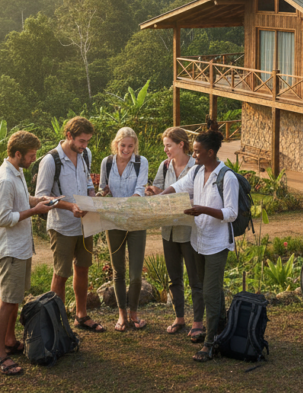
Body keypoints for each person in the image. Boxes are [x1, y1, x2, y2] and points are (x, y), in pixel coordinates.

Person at [160, 126, 237, 362]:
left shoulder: (227, 177)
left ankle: (210, 343)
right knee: (206, 289)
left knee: (211, 291)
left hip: (217, 244)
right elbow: (181, 186)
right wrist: (162, 194)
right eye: (193, 152)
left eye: (197, 152)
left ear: (211, 152)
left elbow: (231, 213)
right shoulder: (196, 172)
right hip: (198, 241)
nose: (194, 156)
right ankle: (223, 332)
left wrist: (203, 209)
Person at [0, 131, 54, 376]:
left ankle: (9, 340)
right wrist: (35, 210)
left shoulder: (16, 173)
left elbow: (21, 200)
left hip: (20, 246)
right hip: (10, 249)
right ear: (17, 154)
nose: (33, 159)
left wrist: (39, 199)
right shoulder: (5, 178)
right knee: (6, 301)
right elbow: (4, 218)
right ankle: (0, 356)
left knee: (15, 298)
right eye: (30, 155)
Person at [34, 116, 104, 332]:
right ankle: (58, 323)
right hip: (62, 226)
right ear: (69, 136)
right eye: (82, 141)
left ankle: (81, 316)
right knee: (61, 274)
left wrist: (94, 195)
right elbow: (41, 197)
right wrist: (70, 207)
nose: (85, 146)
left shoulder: (86, 154)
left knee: (83, 269)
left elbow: (86, 183)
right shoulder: (50, 160)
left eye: (88, 141)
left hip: (84, 224)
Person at [145, 127, 204, 342]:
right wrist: (153, 191)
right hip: (168, 229)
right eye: (164, 145)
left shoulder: (196, 167)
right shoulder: (164, 166)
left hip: (190, 230)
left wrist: (166, 196)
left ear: (181, 144)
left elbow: (200, 195)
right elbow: (161, 193)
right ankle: (180, 318)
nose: (165, 149)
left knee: (195, 278)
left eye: (168, 145)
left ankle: (198, 322)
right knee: (174, 278)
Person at [100, 127, 150, 331]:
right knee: (118, 270)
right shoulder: (107, 162)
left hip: (136, 220)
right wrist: (99, 196)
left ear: (134, 146)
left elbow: (140, 191)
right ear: (116, 144)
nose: (126, 149)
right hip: (113, 221)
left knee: (135, 274)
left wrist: (124, 205)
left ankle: (134, 313)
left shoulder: (141, 162)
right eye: (123, 145)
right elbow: (104, 188)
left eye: (130, 146)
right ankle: (121, 315)